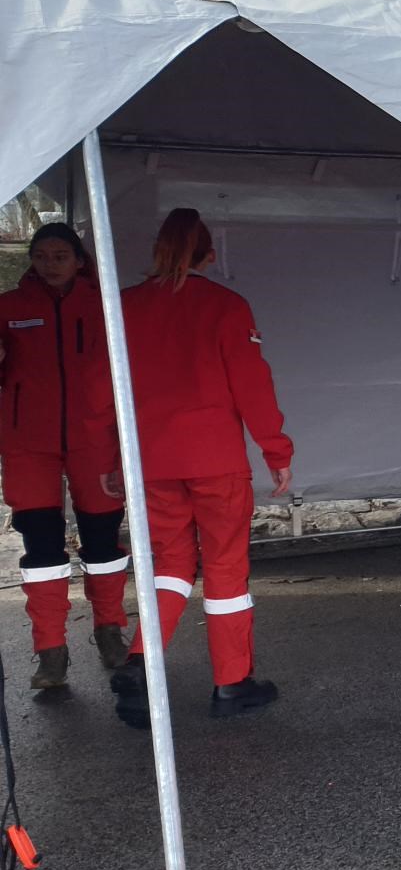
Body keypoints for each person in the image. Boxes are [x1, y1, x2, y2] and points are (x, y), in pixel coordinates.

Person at [110, 208, 293, 725]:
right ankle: (232, 684)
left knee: (168, 565)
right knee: (225, 570)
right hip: (216, 461)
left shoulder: (123, 307)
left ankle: (142, 661)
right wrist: (276, 452)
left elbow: (104, 391)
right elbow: (252, 388)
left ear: (156, 251)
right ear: (209, 257)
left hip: (152, 461)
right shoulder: (227, 306)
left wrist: (109, 458)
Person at [0, 223, 129, 690]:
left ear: (79, 260)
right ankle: (50, 651)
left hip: (94, 440)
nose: (49, 263)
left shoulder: (107, 306)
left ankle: (110, 631)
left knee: (102, 544)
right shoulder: (9, 308)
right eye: (40, 255)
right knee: (41, 548)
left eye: (59, 254)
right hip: (27, 445)